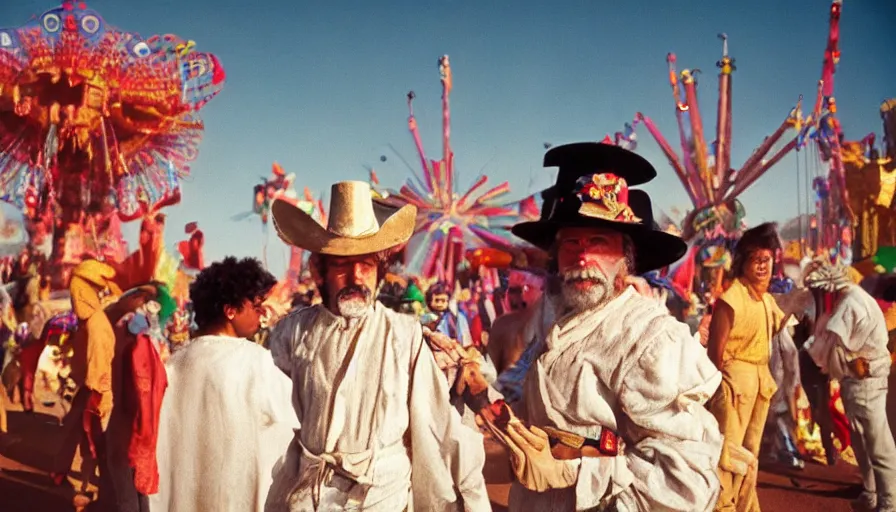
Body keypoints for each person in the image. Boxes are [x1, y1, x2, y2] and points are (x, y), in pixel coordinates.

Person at [490, 142, 723, 511]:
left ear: (625, 257)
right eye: (571, 244)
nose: (583, 257)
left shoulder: (650, 340)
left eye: (599, 241)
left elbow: (685, 481)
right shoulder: (560, 325)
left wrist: (574, 474)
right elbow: (531, 407)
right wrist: (475, 386)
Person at [264, 180, 490, 511]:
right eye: (341, 265)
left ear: (379, 271)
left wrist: (472, 502)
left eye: (366, 265)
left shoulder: (404, 335)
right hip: (308, 498)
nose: (356, 276)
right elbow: (274, 422)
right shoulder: (291, 334)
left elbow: (439, 428)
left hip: (382, 498)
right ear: (319, 270)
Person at [150, 257, 297, 512]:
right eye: (256, 306)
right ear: (230, 311)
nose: (261, 314)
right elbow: (296, 423)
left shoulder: (175, 363)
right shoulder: (255, 361)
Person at [803, 261, 896, 512]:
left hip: (865, 380)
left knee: (877, 443)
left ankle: (889, 502)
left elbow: (833, 350)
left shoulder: (849, 304)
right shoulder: (855, 299)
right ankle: (872, 494)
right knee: (862, 441)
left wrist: (823, 361)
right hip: (859, 380)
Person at [706, 222, 785, 512]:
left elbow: (775, 327)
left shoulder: (767, 300)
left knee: (751, 453)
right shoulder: (730, 299)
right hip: (733, 387)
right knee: (728, 453)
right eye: (756, 260)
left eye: (767, 260)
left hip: (759, 384)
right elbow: (715, 351)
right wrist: (714, 390)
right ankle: (722, 506)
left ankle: (745, 505)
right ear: (744, 262)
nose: (763, 266)